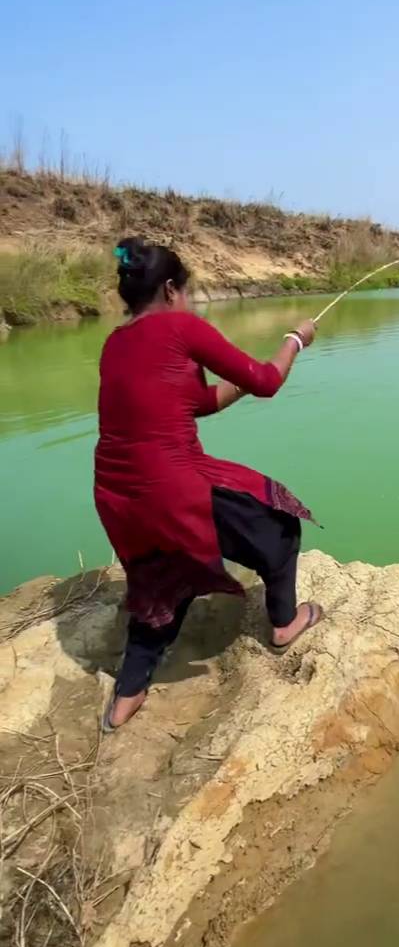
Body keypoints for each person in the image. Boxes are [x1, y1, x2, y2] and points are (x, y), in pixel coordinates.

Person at [95, 236, 322, 731]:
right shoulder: (181, 326)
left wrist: (245, 372)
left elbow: (197, 402)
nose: (189, 302)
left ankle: (127, 696)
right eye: (187, 292)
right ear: (172, 288)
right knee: (281, 527)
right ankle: (285, 624)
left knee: (160, 575)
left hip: (117, 492)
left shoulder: (116, 343)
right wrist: (295, 341)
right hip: (171, 481)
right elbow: (268, 383)